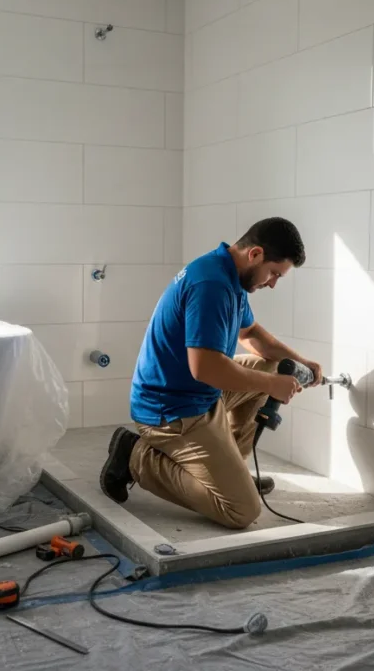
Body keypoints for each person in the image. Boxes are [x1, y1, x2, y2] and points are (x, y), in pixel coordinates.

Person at [99, 217, 322, 529]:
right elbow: (205, 367)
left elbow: (250, 333)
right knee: (242, 510)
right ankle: (136, 456)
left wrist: (300, 362)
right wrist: (272, 384)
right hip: (171, 410)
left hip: (197, 393)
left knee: (270, 365)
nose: (272, 283)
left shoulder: (229, 273)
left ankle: (228, 471)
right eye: (274, 273)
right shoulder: (211, 285)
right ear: (255, 254)